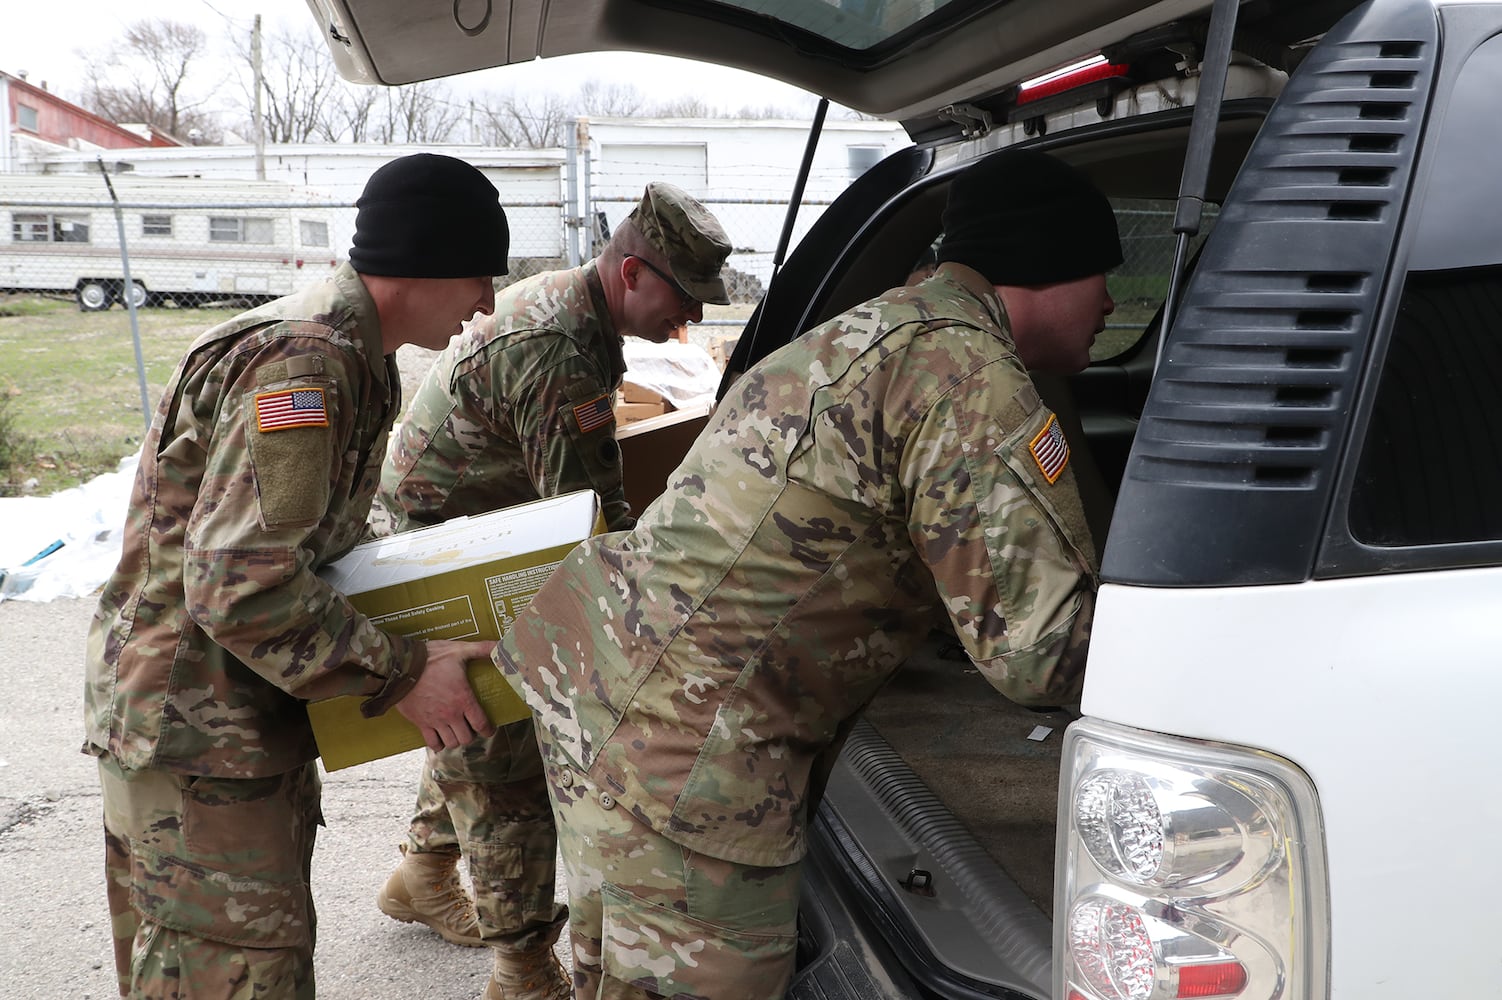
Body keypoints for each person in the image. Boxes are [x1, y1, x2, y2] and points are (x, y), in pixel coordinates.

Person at [494, 147, 1121, 999]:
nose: (1114, 301)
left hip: (609, 690)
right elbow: (1039, 656)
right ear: (1046, 267)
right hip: (689, 761)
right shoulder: (970, 377)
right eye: (1102, 274)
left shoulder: (882, 326)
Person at [83, 153, 511, 1000]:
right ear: (423, 265)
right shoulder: (305, 366)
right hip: (200, 737)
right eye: (479, 277)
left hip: (213, 720)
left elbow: (300, 547)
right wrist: (402, 672)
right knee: (239, 977)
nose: (487, 305)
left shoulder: (348, 351)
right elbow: (242, 582)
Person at [369, 183, 733, 1000]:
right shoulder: (560, 349)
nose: (692, 323)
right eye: (684, 299)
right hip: (452, 548)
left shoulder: (584, 312)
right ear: (633, 272)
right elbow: (589, 535)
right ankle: (523, 972)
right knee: (508, 757)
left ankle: (422, 873)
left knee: (481, 717)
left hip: (482, 519)